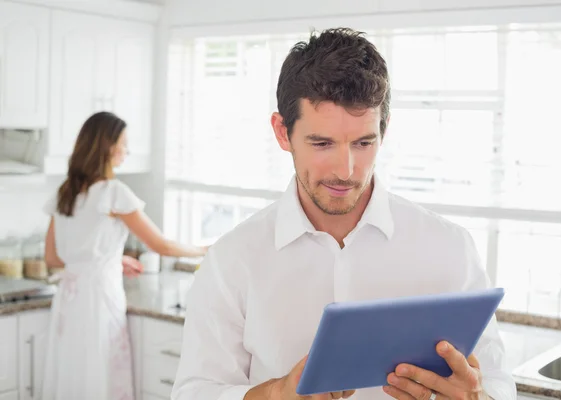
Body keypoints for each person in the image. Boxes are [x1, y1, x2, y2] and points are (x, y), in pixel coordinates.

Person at [172, 28, 516, 400]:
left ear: (383, 131)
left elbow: (497, 380)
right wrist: (276, 394)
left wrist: (478, 397)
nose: (346, 170)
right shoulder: (232, 259)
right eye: (322, 143)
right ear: (282, 132)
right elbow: (195, 391)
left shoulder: (448, 247)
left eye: (363, 143)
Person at [41, 111, 206, 400]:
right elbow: (162, 246)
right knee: (100, 378)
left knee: (72, 377)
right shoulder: (113, 193)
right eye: (124, 143)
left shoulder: (65, 193)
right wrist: (206, 250)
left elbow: (53, 258)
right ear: (107, 146)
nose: (127, 151)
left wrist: (110, 261)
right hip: (98, 301)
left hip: (68, 302)